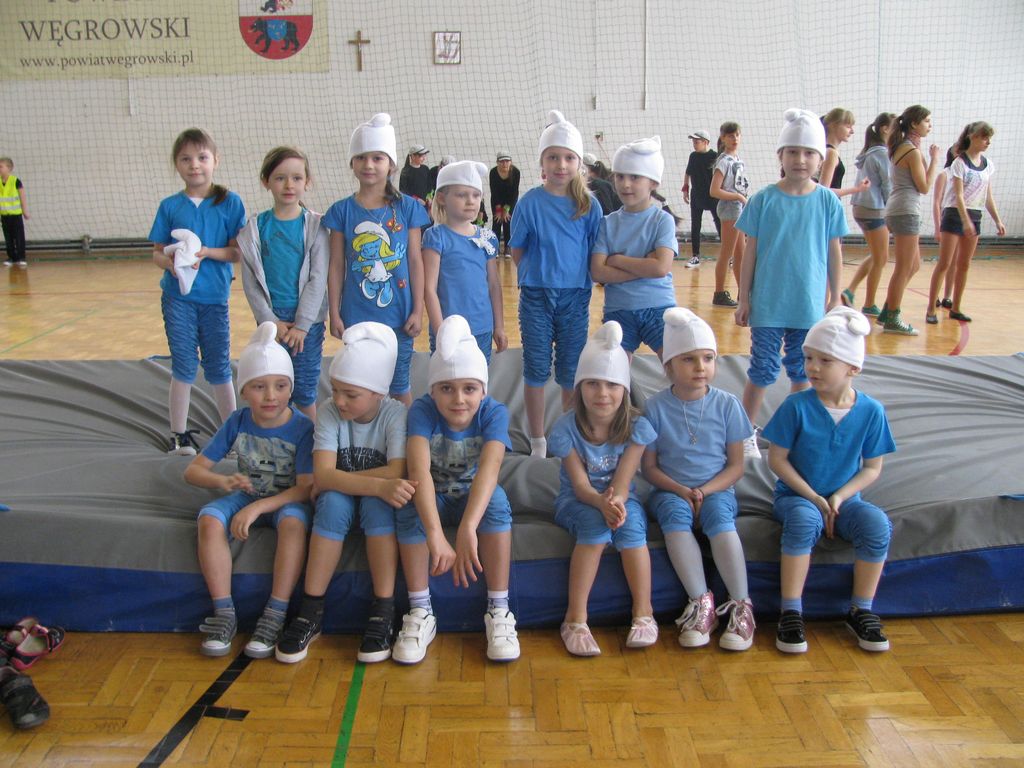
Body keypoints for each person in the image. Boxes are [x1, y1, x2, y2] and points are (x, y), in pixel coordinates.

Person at [275, 323, 412, 664]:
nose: (339, 400)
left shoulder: (395, 414)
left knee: (377, 506)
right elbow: (322, 475)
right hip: (344, 498)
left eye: (351, 394)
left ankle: (383, 609)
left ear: (378, 393)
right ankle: (311, 609)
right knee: (333, 504)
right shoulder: (329, 412)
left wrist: (342, 480)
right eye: (335, 390)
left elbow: (397, 472)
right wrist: (376, 484)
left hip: (370, 500)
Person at [763, 307, 896, 654]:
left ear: (853, 367)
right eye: (808, 358)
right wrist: (813, 497)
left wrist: (839, 498)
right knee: (804, 521)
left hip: (844, 501)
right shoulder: (796, 406)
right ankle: (791, 611)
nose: (813, 367)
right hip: (796, 496)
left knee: (877, 525)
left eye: (825, 360)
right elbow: (777, 459)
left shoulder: (871, 411)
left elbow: (872, 467)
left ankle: (861, 609)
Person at [393, 315, 519, 664]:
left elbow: (490, 471)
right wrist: (435, 534)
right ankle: (420, 609)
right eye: (446, 388)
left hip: (471, 496)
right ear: (432, 390)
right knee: (408, 500)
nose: (458, 399)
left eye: (469, 389)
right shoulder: (421, 411)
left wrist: (468, 527)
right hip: (433, 493)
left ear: (483, 390)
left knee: (496, 500)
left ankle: (499, 608)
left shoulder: (494, 413)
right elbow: (418, 471)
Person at [183, 322, 314, 658]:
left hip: (283, 500)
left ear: (291, 388)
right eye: (259, 387)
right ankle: (224, 612)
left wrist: (257, 508)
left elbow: (304, 489)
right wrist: (223, 481)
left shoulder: (303, 428)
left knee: (293, 523)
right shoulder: (238, 421)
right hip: (247, 494)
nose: (270, 396)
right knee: (209, 519)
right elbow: (193, 471)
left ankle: (275, 613)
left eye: (280, 386)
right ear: (243, 391)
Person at [734, 109, 848, 456]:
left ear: (821, 158)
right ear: (780, 156)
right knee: (762, 369)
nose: (800, 160)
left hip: (807, 305)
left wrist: (836, 295)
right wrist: (744, 298)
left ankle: (794, 432)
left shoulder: (827, 201)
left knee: (804, 371)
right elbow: (750, 252)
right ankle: (744, 432)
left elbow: (834, 250)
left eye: (809, 153)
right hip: (768, 304)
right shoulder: (764, 199)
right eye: (793, 152)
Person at [642, 308, 756, 651]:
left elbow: (736, 466)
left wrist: (705, 491)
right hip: (670, 490)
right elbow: (650, 468)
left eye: (708, 358)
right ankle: (700, 601)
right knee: (674, 518)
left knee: (720, 518)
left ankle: (741, 604)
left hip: (716, 489)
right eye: (689, 359)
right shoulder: (654, 407)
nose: (700, 367)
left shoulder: (728, 405)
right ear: (668, 366)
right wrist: (681, 490)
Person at [550, 321, 657, 656]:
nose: (602, 393)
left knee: (632, 529)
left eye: (612, 384)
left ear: (624, 389)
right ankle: (575, 619)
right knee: (596, 528)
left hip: (621, 498)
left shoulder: (637, 427)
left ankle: (644, 612)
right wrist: (601, 504)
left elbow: (623, 481)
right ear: (579, 388)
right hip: (578, 500)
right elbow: (580, 486)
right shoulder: (565, 429)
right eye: (592, 384)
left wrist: (617, 503)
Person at [510, 110, 603, 458]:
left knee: (570, 370)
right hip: (536, 296)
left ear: (579, 163)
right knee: (536, 368)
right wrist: (539, 274)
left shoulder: (588, 205)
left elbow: (595, 249)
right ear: (542, 163)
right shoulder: (530, 203)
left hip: (575, 297)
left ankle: (566, 435)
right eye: (553, 157)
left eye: (568, 158)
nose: (561, 165)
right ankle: (537, 438)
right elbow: (517, 250)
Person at [150, 128, 246, 455]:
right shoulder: (170, 206)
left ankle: (231, 433)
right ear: (176, 164)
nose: (194, 165)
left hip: (215, 299)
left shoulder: (230, 202)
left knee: (219, 366)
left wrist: (206, 253)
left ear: (215, 160)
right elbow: (156, 253)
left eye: (202, 157)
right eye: (186, 159)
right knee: (184, 365)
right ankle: (179, 434)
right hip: (178, 300)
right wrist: (171, 263)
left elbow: (236, 253)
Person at [324, 114, 430, 407]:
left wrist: (417, 310)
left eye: (377, 158)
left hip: (399, 317)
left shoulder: (408, 209)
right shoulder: (341, 211)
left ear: (391, 164)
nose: (368, 165)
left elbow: (415, 261)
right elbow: (336, 265)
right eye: (361, 157)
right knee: (359, 384)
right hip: (356, 317)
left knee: (399, 384)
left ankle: (403, 434)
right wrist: (334, 313)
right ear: (352, 163)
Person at [239, 146, 329, 423]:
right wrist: (270, 321)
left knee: (304, 389)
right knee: (274, 385)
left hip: (307, 323)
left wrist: (302, 325)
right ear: (266, 181)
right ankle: (279, 435)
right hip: (272, 320)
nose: (289, 185)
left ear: (307, 182)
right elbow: (251, 282)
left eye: (296, 178)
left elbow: (318, 278)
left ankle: (309, 441)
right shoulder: (255, 228)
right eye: (280, 178)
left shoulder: (316, 226)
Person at [589, 136, 677, 359]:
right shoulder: (607, 223)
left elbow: (661, 268)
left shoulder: (662, 220)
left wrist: (617, 261)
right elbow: (598, 272)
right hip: (619, 310)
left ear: (653, 182)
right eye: (620, 176)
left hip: (658, 306)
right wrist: (644, 266)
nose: (625, 184)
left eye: (635, 177)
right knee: (613, 369)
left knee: (676, 363)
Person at [423, 160, 508, 361]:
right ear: (442, 198)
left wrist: (499, 326)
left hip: (482, 328)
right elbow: (429, 289)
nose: (471, 201)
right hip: (448, 329)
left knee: (478, 378)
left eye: (476, 195)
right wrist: (441, 330)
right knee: (446, 378)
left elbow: (494, 285)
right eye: (462, 195)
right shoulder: (436, 237)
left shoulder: (487, 238)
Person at [926, 121, 1005, 324]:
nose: (988, 142)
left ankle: (956, 308)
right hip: (954, 215)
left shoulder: (988, 165)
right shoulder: (959, 163)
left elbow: (988, 196)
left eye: (989, 138)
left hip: (975, 215)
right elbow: (959, 195)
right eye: (984, 137)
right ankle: (931, 309)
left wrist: (997, 220)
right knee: (945, 263)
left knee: (964, 265)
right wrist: (964, 220)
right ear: (972, 137)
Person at [879, 105, 941, 336]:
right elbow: (924, 187)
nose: (930, 125)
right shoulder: (910, 151)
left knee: (914, 265)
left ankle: (888, 310)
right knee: (903, 267)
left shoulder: (904, 146)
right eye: (927, 121)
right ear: (914, 124)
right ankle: (892, 319)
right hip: (905, 211)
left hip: (899, 209)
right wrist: (935, 161)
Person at [841, 113, 897, 316]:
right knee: (881, 257)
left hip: (862, 207)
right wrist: (892, 210)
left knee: (877, 255)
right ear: (884, 129)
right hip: (873, 209)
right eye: (895, 127)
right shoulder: (881, 152)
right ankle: (869, 303)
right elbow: (887, 184)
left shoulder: (870, 150)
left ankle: (850, 291)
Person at [709, 121, 749, 307]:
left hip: (738, 209)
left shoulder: (737, 160)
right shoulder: (724, 161)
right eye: (731, 136)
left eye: (737, 135)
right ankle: (719, 293)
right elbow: (714, 190)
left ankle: (743, 293)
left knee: (741, 253)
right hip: (730, 209)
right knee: (727, 253)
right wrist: (738, 197)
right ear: (723, 138)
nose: (735, 139)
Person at [681, 131, 721, 269]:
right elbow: (688, 173)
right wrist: (685, 188)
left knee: (719, 223)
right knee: (695, 225)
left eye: (697, 142)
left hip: (713, 196)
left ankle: (729, 255)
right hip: (697, 195)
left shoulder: (715, 156)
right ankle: (695, 256)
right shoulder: (693, 156)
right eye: (693, 141)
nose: (694, 144)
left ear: (706, 142)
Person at [818, 108, 871, 198]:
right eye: (848, 126)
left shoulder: (828, 151)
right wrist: (856, 189)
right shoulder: (831, 153)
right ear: (833, 126)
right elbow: (823, 190)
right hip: (829, 204)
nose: (852, 131)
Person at [489, 151, 520, 256]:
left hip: (510, 200)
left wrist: (506, 210)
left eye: (507, 161)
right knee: (497, 221)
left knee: (508, 221)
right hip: (497, 199)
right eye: (502, 161)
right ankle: (494, 247)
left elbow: (514, 192)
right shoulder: (493, 172)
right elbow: (494, 192)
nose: (504, 164)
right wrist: (498, 210)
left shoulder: (516, 172)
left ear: (511, 162)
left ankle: (508, 247)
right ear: (497, 162)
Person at [0, 157, 29, 267]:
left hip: (16, 215)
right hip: (4, 215)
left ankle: (21, 257)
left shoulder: (16, 181)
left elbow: (22, 196)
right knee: (8, 238)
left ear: (9, 168)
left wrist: (24, 211)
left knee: (18, 237)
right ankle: (12, 257)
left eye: (1, 167)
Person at [399, 143, 433, 215]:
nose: (424, 158)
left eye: (424, 155)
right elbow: (403, 190)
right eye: (421, 156)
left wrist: (429, 197)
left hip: (425, 205)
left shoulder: (425, 169)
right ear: (413, 156)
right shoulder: (406, 171)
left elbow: (429, 186)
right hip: (412, 205)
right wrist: (416, 199)